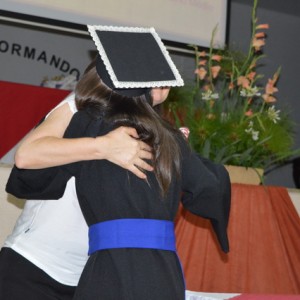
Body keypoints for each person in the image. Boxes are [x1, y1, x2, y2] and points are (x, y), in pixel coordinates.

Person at [6, 25, 230, 300]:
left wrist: (173, 152)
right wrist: (103, 146)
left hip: (93, 273)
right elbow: (27, 157)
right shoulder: (81, 108)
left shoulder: (155, 129)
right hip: (36, 264)